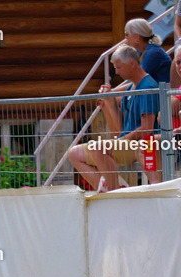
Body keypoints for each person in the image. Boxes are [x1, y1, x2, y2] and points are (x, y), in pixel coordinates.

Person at [68, 45, 160, 192]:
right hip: (127, 142)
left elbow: (147, 128)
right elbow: (117, 130)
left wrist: (122, 140)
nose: (116, 72)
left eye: (119, 67)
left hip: (140, 143)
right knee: (74, 153)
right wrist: (107, 105)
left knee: (99, 147)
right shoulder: (131, 88)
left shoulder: (148, 87)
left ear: (131, 64)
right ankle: (113, 188)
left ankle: (113, 192)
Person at [123, 18, 170, 84]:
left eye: (127, 34)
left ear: (137, 37)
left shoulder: (153, 53)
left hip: (162, 93)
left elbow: (138, 80)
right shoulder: (141, 51)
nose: (125, 38)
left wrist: (113, 92)